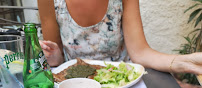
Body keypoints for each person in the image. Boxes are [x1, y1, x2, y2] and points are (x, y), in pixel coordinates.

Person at [37, 0, 202, 77]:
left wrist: (182, 62)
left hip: (122, 84)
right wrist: (53, 56)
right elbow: (56, 62)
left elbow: (140, 52)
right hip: (77, 87)